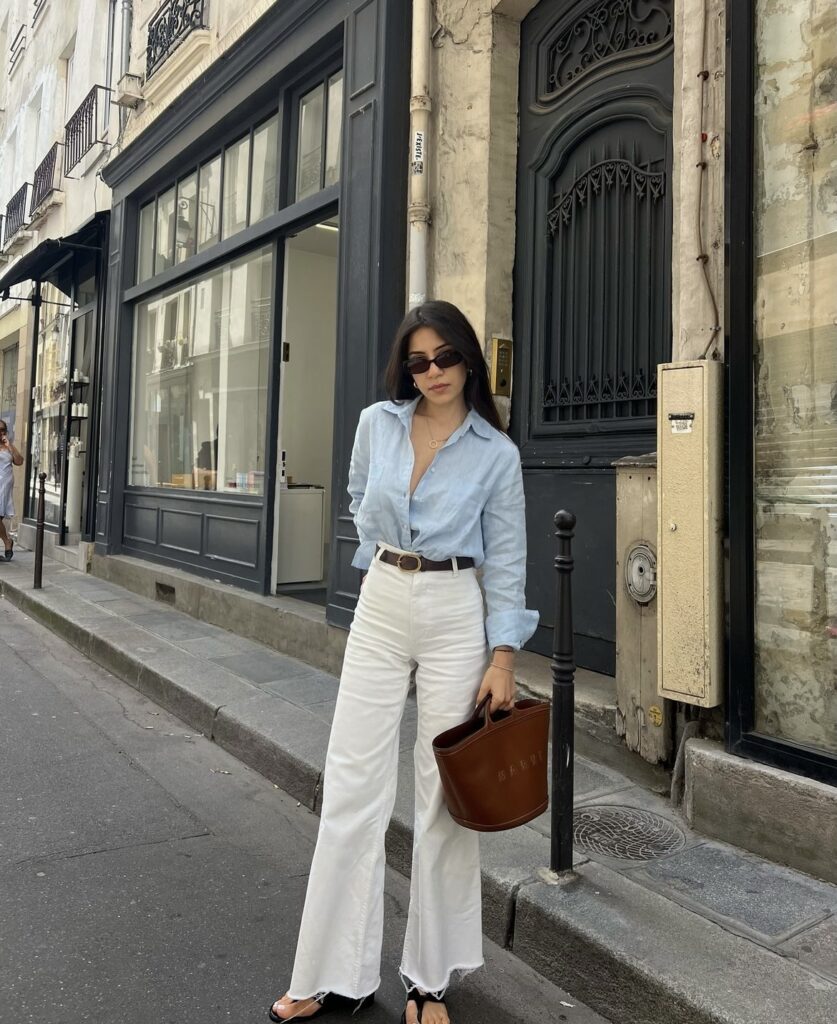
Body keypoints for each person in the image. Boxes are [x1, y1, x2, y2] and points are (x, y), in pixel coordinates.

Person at [269, 301, 538, 1024]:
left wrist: (502, 656)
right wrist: (387, 557)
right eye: (418, 361)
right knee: (352, 778)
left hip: (456, 607)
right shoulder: (376, 423)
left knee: (440, 793)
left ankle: (429, 977)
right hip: (384, 596)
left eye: (446, 357)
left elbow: (508, 557)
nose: (434, 372)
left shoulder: (495, 453)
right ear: (404, 366)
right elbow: (359, 494)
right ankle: (331, 973)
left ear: (469, 359)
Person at [0, 419, 24, 561]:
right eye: (0, 430)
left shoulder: (9, 447)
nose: (2, 432)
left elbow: (20, 461)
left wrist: (10, 447)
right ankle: (7, 541)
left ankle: (7, 542)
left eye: (4, 430)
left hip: (4, 486)